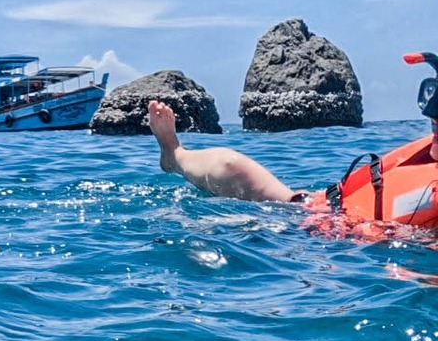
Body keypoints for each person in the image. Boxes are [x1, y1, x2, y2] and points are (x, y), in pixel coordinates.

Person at [147, 67, 438, 232]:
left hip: (318, 247)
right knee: (229, 164)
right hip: (307, 207)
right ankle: (173, 153)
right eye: (433, 124)